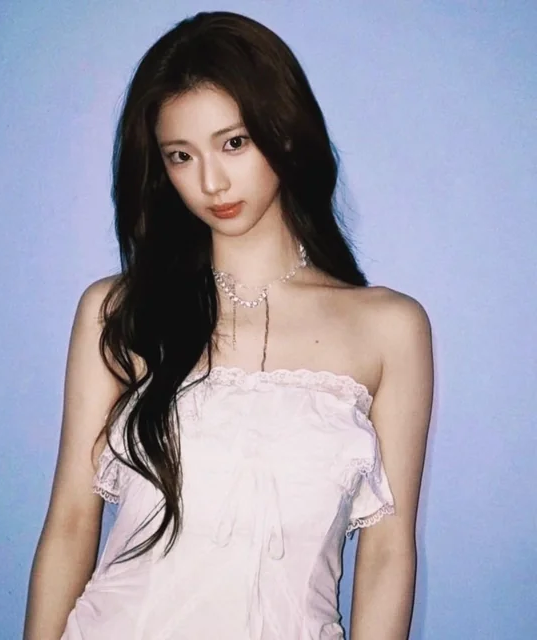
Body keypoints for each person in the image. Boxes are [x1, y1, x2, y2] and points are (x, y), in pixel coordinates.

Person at [23, 10, 433, 640]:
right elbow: (71, 523)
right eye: (181, 156)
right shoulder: (117, 311)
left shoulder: (390, 328)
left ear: (284, 132)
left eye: (234, 143)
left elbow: (387, 554)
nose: (211, 182)